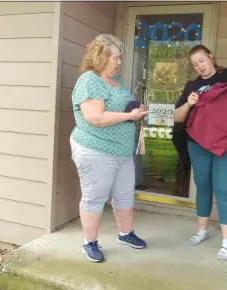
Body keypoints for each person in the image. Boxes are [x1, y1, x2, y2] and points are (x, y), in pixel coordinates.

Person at [70, 34, 149, 263]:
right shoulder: (90, 79)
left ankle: (126, 234)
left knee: (124, 195)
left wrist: (135, 109)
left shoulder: (117, 82)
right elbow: (95, 117)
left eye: (120, 58)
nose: (120, 62)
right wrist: (129, 115)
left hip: (121, 152)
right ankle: (90, 242)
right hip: (96, 150)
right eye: (116, 57)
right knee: (95, 197)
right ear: (102, 56)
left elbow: (119, 108)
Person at [173, 44, 227, 261]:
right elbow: (178, 117)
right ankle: (202, 231)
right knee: (203, 186)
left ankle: (226, 243)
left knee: (223, 190)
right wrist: (188, 103)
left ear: (211, 57)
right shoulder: (191, 86)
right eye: (195, 64)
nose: (199, 66)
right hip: (198, 144)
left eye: (202, 60)